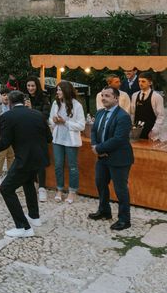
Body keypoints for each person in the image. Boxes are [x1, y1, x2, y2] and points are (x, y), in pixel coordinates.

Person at [0, 91, 51, 237]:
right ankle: (34, 217)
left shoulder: (7, 116)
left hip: (24, 160)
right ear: (23, 101)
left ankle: (23, 227)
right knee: (28, 183)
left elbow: (5, 142)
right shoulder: (37, 114)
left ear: (10, 103)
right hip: (40, 159)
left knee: (6, 189)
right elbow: (49, 138)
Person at [89, 86, 134, 230]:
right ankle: (104, 211)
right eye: (102, 95)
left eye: (107, 96)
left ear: (116, 98)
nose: (103, 98)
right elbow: (94, 130)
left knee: (120, 190)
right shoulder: (100, 112)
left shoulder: (123, 116)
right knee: (100, 184)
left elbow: (119, 139)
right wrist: (96, 146)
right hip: (102, 158)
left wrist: (99, 148)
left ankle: (124, 220)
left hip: (119, 159)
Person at [49, 80, 85, 204]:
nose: (57, 92)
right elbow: (50, 120)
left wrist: (65, 122)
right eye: (57, 89)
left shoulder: (77, 105)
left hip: (71, 140)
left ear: (66, 91)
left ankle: (72, 191)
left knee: (72, 166)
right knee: (58, 165)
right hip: (58, 138)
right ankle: (59, 189)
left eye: (60, 89)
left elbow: (81, 126)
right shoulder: (55, 103)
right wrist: (54, 120)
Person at [24, 76, 51, 202]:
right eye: (28, 86)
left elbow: (44, 116)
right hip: (27, 133)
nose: (30, 88)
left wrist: (31, 109)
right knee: (29, 160)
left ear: (37, 86)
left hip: (40, 133)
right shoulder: (24, 97)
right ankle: (31, 184)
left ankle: (42, 188)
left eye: (33, 86)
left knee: (40, 161)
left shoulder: (44, 98)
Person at [130, 72, 165, 140]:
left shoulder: (156, 97)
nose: (140, 83)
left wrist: (154, 131)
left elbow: (161, 116)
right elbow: (132, 113)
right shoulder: (134, 95)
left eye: (143, 81)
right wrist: (132, 127)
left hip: (151, 133)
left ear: (150, 83)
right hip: (137, 132)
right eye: (139, 81)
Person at [0, 90, 15, 174]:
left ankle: (10, 174)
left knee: (11, 155)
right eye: (4, 95)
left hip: (12, 135)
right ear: (0, 96)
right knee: (1, 156)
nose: (6, 97)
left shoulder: (12, 107)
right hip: (1, 135)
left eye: (8, 95)